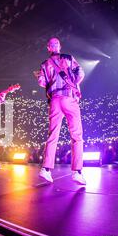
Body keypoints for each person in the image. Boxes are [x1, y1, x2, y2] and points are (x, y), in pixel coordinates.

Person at [35, 37, 86, 185]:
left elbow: (41, 82)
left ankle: (46, 169)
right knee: (76, 136)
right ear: (58, 47)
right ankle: (77, 172)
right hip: (69, 98)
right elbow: (80, 73)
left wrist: (41, 77)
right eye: (54, 43)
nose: (54, 45)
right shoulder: (69, 58)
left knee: (53, 134)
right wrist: (73, 83)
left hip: (55, 100)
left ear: (48, 48)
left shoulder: (44, 64)